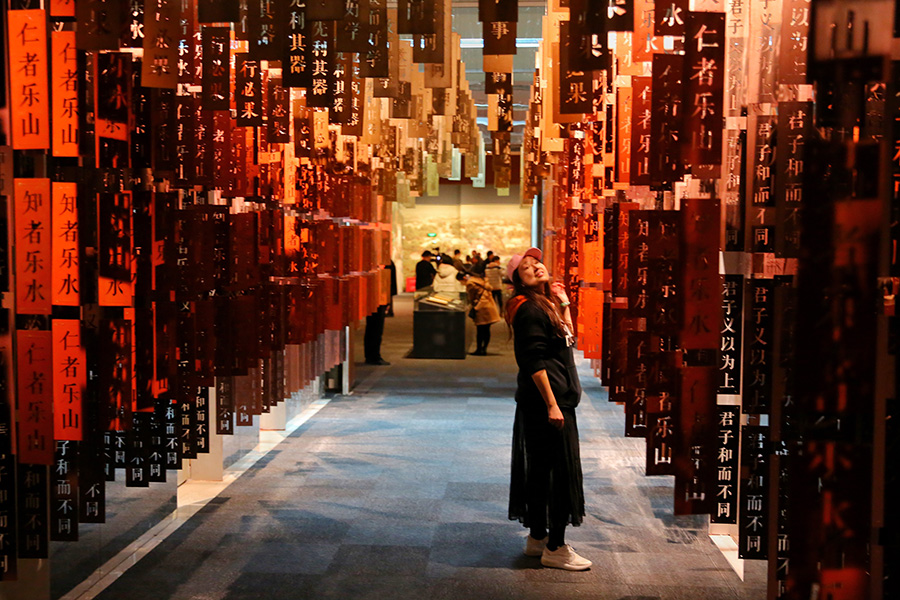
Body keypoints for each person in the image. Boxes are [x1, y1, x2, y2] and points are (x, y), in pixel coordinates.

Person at [505, 247, 590, 571]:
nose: (536, 267)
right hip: (549, 405)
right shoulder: (529, 309)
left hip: (551, 401)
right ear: (519, 281)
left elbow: (567, 339)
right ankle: (556, 546)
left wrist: (564, 302)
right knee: (558, 474)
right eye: (526, 267)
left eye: (537, 262)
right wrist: (552, 405)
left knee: (541, 470)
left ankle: (537, 538)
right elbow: (532, 360)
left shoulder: (545, 304)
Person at [459, 271, 501, 355]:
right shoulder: (480, 280)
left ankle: (479, 349)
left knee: (480, 330)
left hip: (481, 306)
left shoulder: (470, 283)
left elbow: (471, 296)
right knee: (486, 329)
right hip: (489, 304)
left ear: (463, 278)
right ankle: (484, 348)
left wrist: (472, 303)